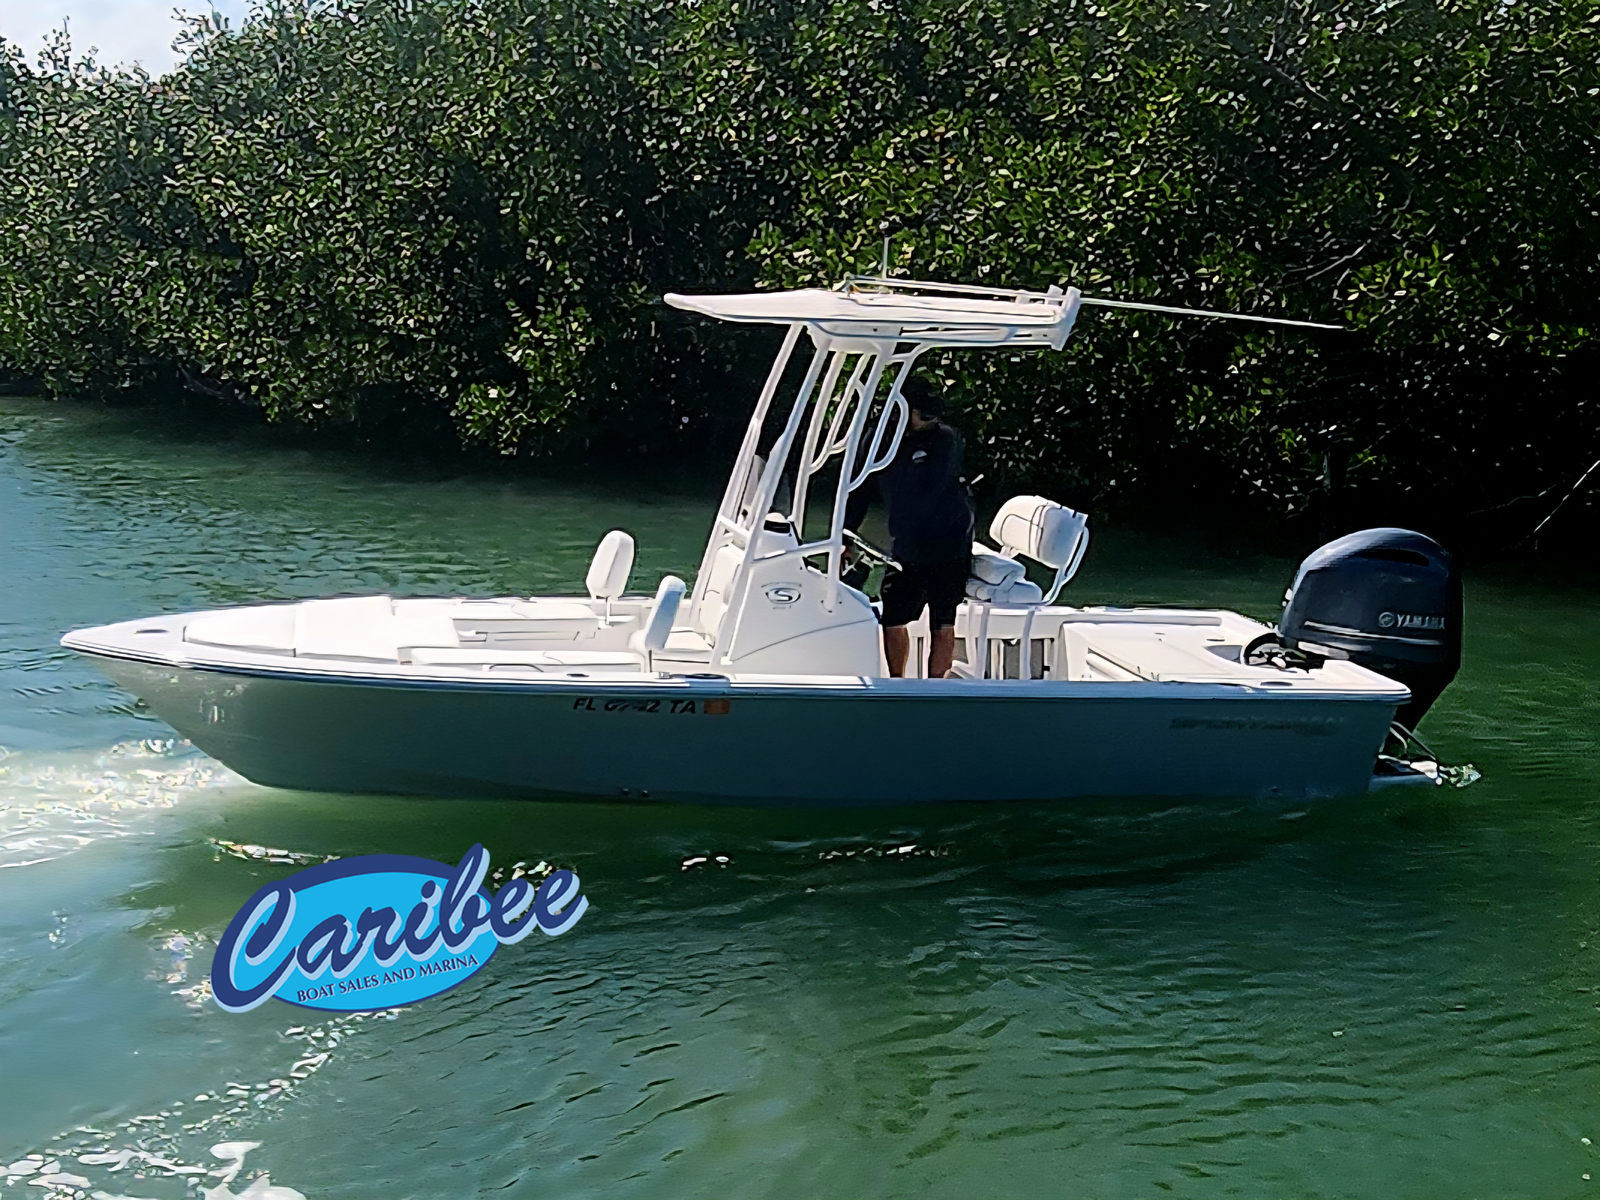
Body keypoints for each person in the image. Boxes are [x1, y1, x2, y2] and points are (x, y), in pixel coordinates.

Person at [843, 376, 974, 678]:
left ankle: (936, 688)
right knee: (892, 618)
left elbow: (930, 490)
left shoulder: (946, 439)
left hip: (950, 541)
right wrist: (845, 535)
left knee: (943, 621)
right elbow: (858, 487)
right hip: (906, 545)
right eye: (922, 412)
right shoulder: (880, 440)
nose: (929, 419)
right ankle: (897, 682)